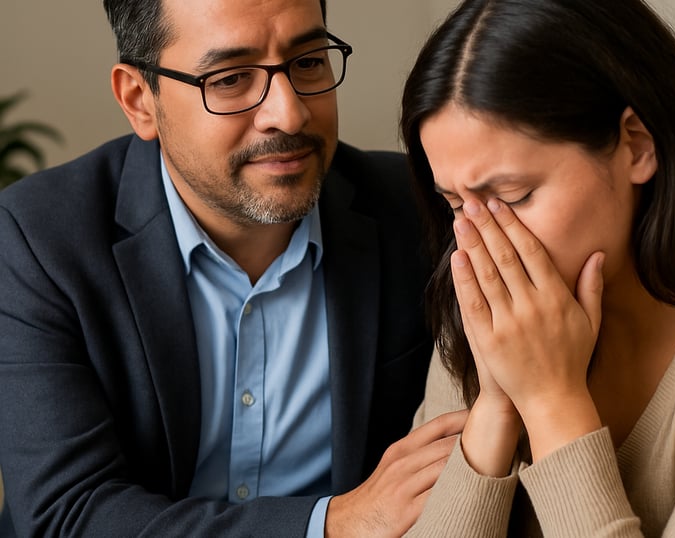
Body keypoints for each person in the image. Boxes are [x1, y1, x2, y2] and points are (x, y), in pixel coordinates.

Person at [0, 0, 468, 536]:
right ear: (140, 100)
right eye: (229, 79)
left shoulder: (419, 209)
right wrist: (337, 522)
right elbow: (67, 516)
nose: (288, 114)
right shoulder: (37, 240)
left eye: (308, 62)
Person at [400, 0, 675, 536]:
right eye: (455, 203)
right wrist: (495, 409)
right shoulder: (488, 304)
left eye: (514, 195)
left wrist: (551, 401)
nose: (481, 241)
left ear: (636, 145)